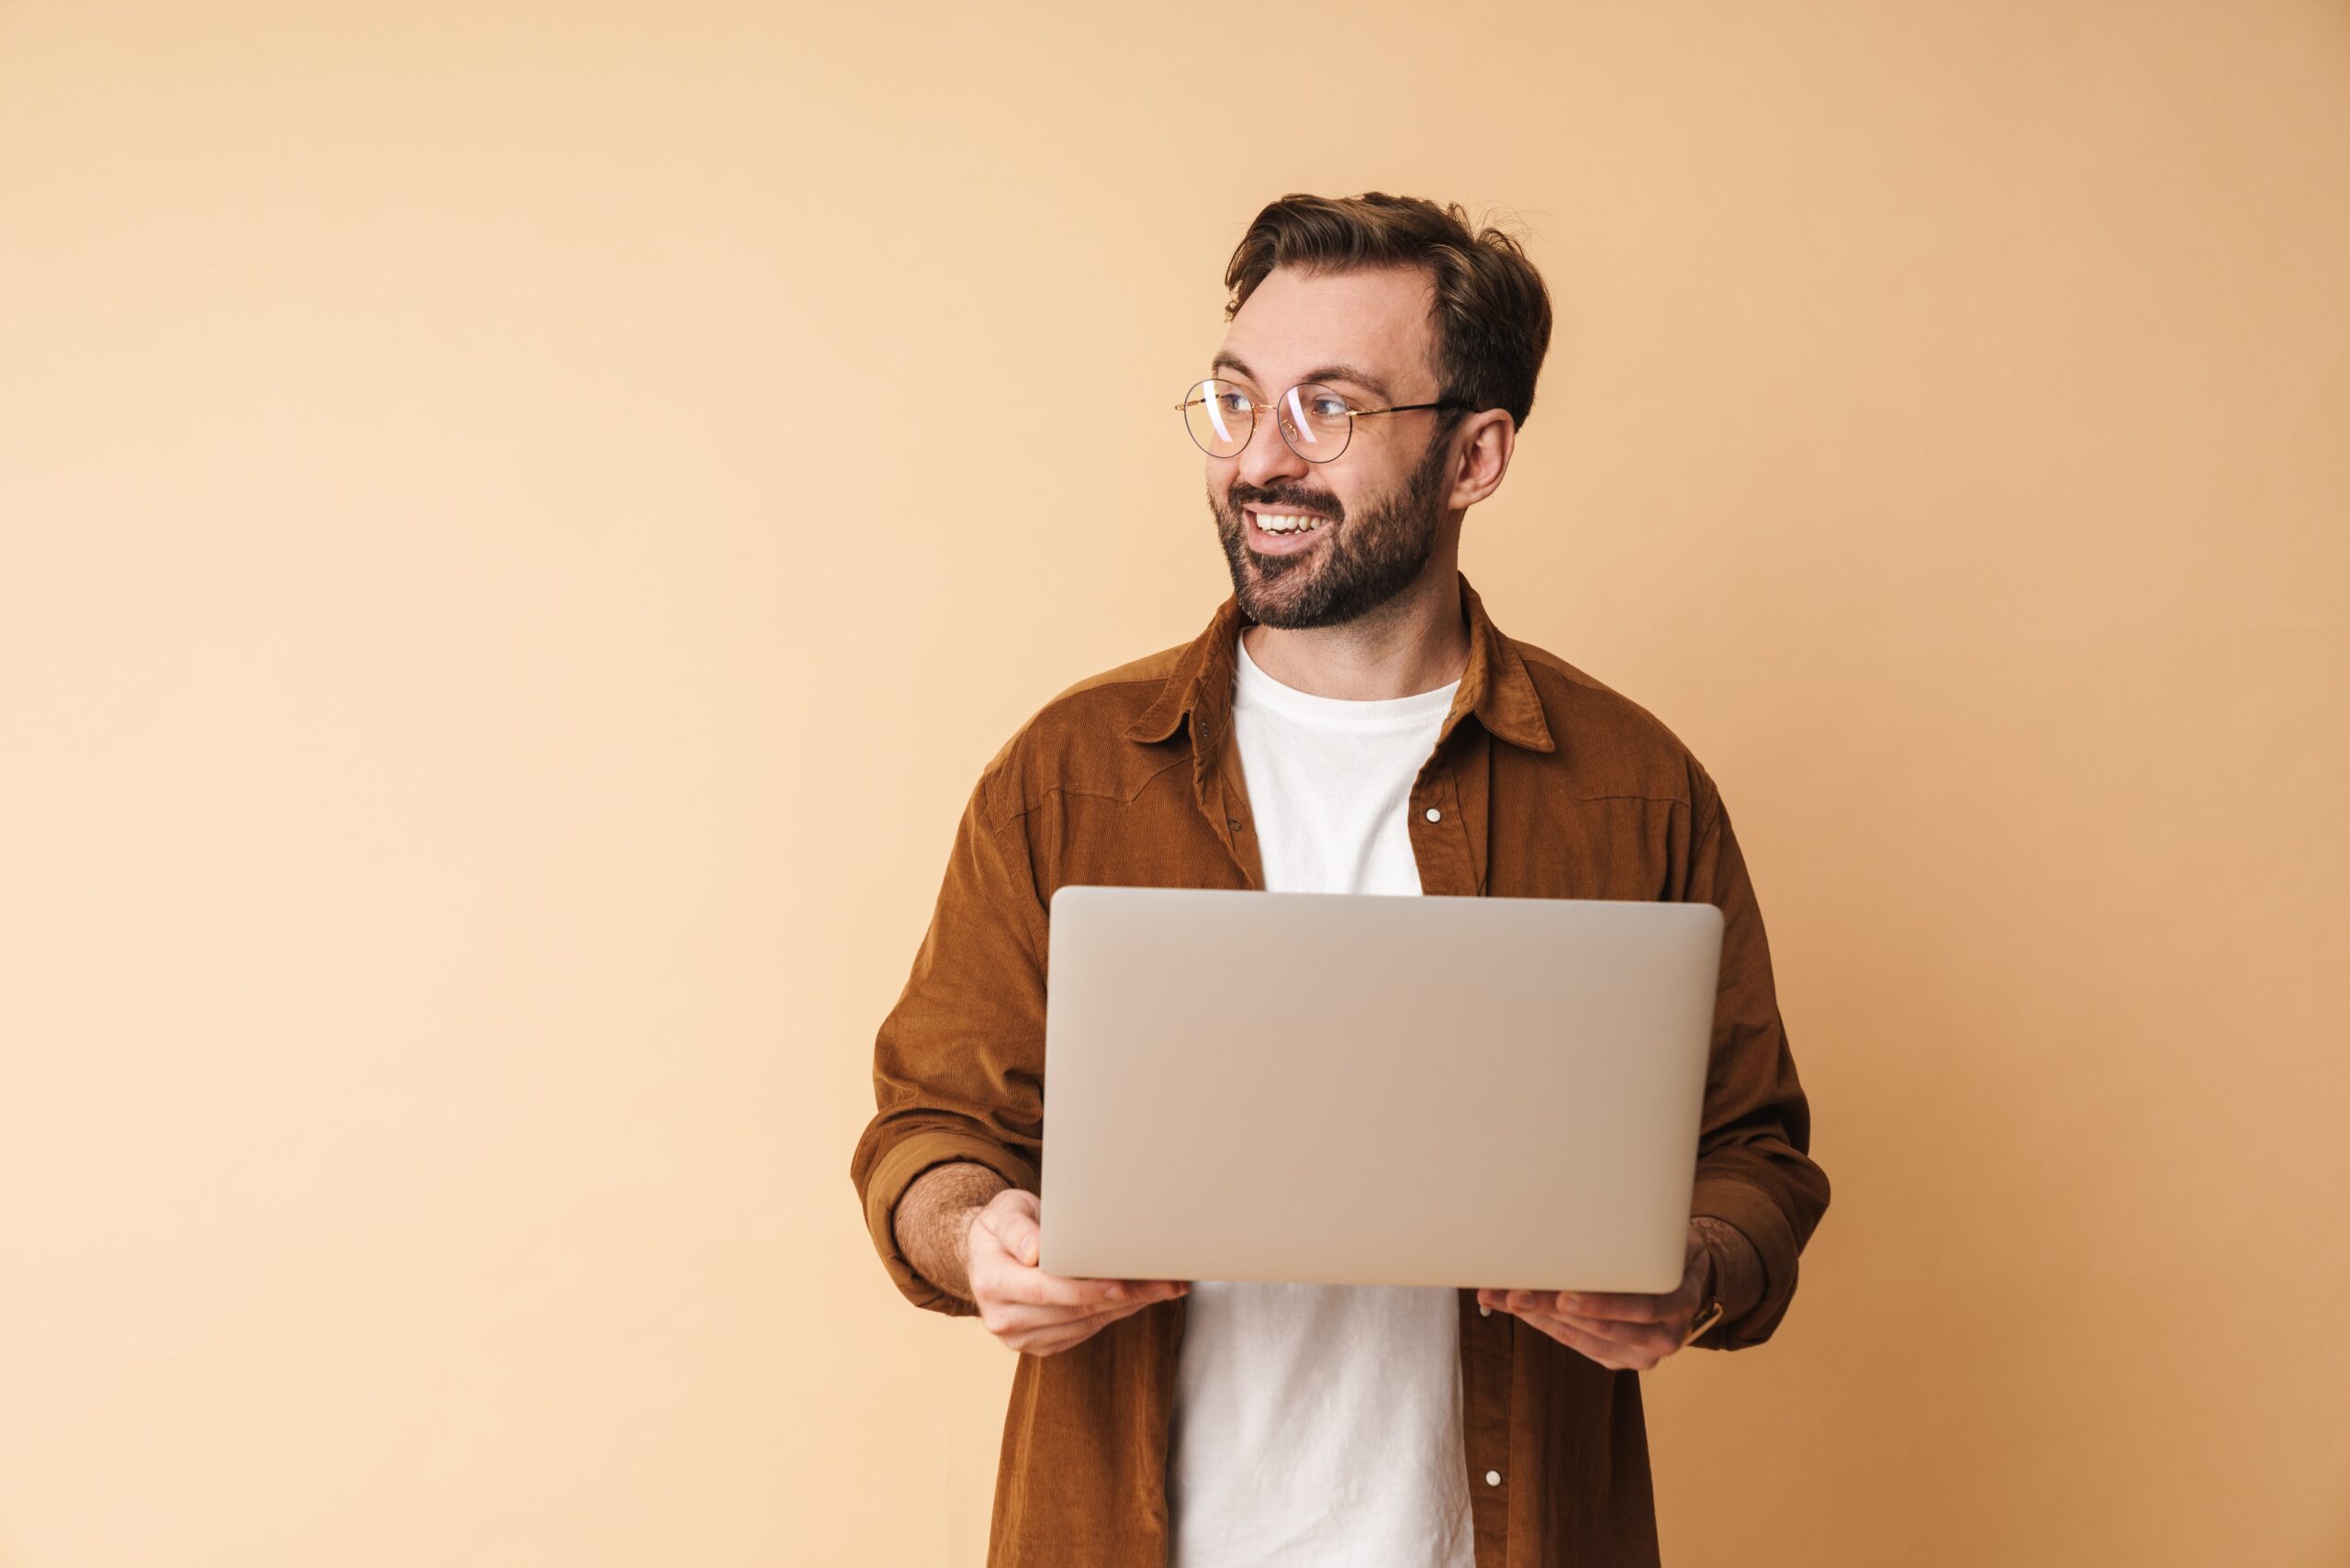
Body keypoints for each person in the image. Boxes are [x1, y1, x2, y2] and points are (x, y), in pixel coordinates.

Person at [848, 191, 1830, 1568]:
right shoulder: (1067, 777)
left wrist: (1695, 1272)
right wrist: (976, 1238)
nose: (1262, 458)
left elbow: (1757, 1161)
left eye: (1331, 411)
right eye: (1238, 400)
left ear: (1476, 453)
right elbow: (928, 1131)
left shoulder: (1635, 788)